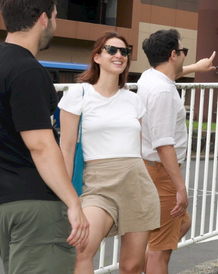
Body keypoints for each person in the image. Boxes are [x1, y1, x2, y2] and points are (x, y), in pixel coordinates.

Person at [0, 0, 89, 274]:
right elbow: (40, 146)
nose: (55, 22)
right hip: (35, 204)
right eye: (54, 16)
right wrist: (73, 202)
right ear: (43, 18)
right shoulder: (28, 71)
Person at [59, 31, 159, 274]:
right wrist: (67, 198)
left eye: (124, 51)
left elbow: (137, 148)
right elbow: (67, 149)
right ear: (97, 57)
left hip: (136, 183)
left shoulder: (133, 100)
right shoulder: (78, 94)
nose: (119, 55)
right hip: (98, 185)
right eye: (111, 50)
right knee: (81, 250)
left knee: (132, 266)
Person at [138, 29, 216, 274]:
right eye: (183, 51)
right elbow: (163, 144)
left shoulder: (149, 77)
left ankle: (141, 261)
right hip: (161, 173)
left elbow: (176, 73)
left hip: (148, 169)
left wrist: (196, 67)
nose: (184, 55)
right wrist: (180, 187)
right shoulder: (162, 92)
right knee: (160, 251)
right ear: (173, 54)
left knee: (182, 223)